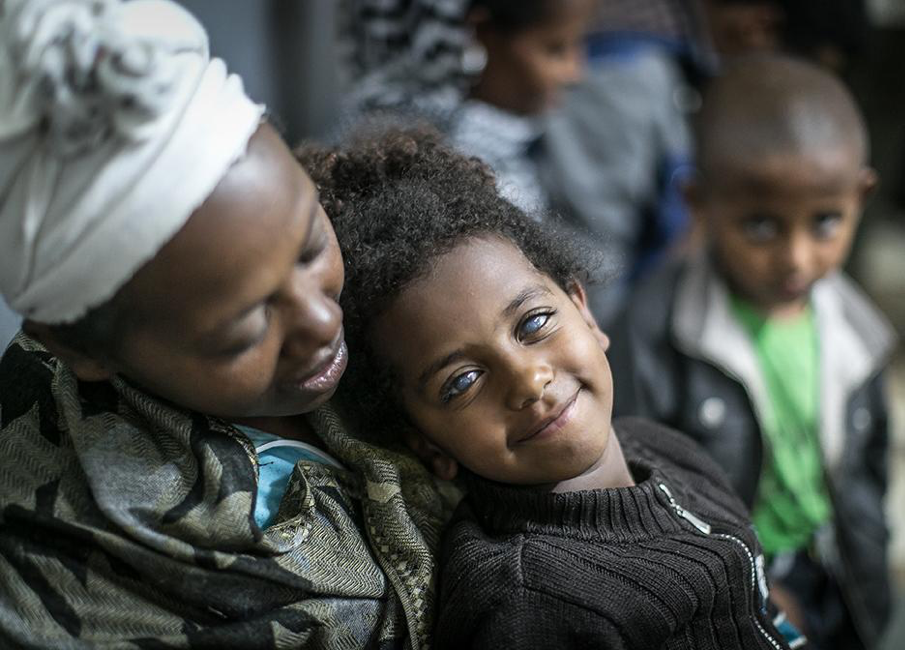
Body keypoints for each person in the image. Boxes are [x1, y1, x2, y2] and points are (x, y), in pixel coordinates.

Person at [0, 1, 450, 647]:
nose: (323, 319)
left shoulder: (402, 275)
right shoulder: (74, 563)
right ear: (76, 347)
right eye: (243, 330)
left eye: (309, 247)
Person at [297, 130, 807, 650]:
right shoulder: (528, 603)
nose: (528, 379)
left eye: (535, 323)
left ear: (584, 312)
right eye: (463, 381)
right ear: (429, 446)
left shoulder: (661, 448)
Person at [609, 54, 894, 650]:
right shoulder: (654, 334)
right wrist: (744, 580)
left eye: (824, 222)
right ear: (699, 203)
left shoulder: (857, 330)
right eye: (761, 226)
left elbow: (868, 471)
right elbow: (640, 498)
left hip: (838, 573)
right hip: (725, 590)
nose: (796, 258)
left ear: (861, 196)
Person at [343, 0, 596, 215]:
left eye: (581, 45)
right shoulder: (437, 158)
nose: (575, 72)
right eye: (555, 49)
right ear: (481, 33)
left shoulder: (523, 142)